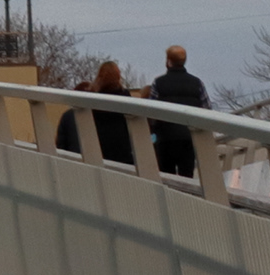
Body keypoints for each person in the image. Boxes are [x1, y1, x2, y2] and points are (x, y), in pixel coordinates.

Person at [147, 46, 211, 178]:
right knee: (186, 175)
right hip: (189, 137)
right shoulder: (197, 83)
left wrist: (153, 128)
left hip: (165, 138)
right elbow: (207, 109)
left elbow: (150, 111)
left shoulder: (159, 83)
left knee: (166, 176)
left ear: (169, 61)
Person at [55, 62, 135, 165]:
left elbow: (61, 145)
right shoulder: (127, 102)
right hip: (123, 158)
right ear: (119, 76)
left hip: (95, 158)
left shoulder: (91, 104)